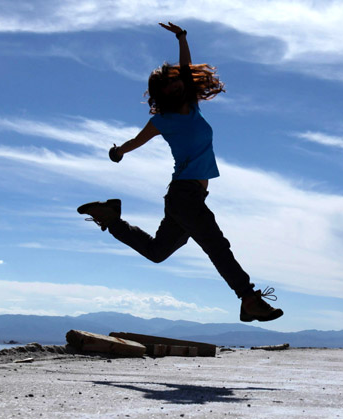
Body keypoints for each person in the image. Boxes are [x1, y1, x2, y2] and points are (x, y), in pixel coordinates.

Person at [77, 22, 283, 323]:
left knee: (158, 251)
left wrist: (182, 38)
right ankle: (248, 299)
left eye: (175, 81)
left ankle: (113, 218)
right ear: (160, 92)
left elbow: (187, 70)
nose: (174, 85)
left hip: (186, 197)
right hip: (185, 196)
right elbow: (137, 140)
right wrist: (118, 151)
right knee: (216, 244)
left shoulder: (191, 107)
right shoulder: (163, 120)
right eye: (167, 85)